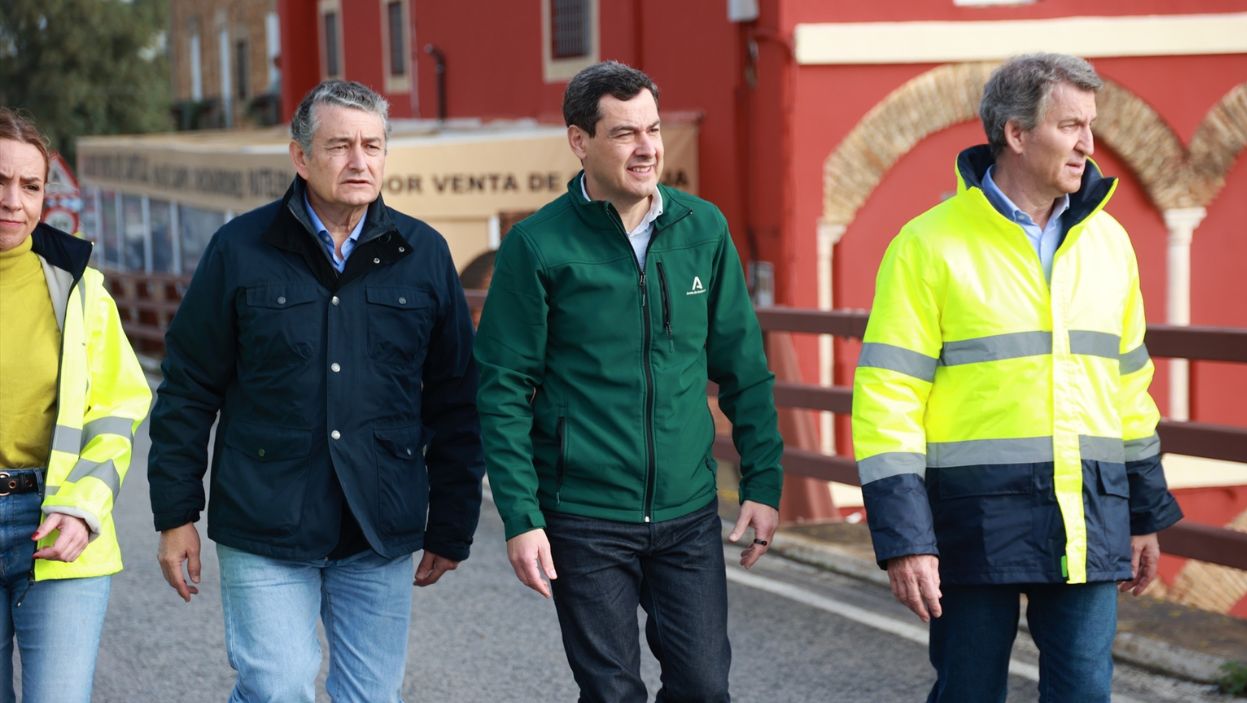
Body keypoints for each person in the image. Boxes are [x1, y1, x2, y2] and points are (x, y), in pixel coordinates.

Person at [852, 53, 1184, 702]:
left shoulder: (1110, 244)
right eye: (1070, 126)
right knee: (969, 692)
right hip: (971, 524)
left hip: (1087, 517)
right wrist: (905, 539)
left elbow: (1129, 389)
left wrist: (1142, 512)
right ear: (1016, 133)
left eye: (1091, 125)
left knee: (1085, 694)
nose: (1089, 143)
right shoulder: (927, 245)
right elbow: (887, 399)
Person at [147, 80, 484, 702]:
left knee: (371, 697)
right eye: (340, 146)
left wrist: (453, 523)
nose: (360, 162)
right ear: (301, 157)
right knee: (277, 687)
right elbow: (189, 388)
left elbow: (455, 399)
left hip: (378, 526)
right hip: (266, 517)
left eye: (373, 146)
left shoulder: (424, 253)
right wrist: (176, 514)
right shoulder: (239, 249)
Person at [475, 61, 784, 702]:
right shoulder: (537, 246)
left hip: (688, 509)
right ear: (579, 141)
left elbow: (743, 367)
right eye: (623, 134)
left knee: (703, 687)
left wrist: (763, 481)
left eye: (651, 129)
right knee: (612, 693)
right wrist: (521, 517)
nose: (646, 148)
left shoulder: (703, 229)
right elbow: (503, 389)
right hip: (584, 514)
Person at [0, 107, 151, 702]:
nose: (13, 200)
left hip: (59, 528)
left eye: (30, 186)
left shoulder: (79, 285)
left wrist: (83, 507)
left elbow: (117, 405)